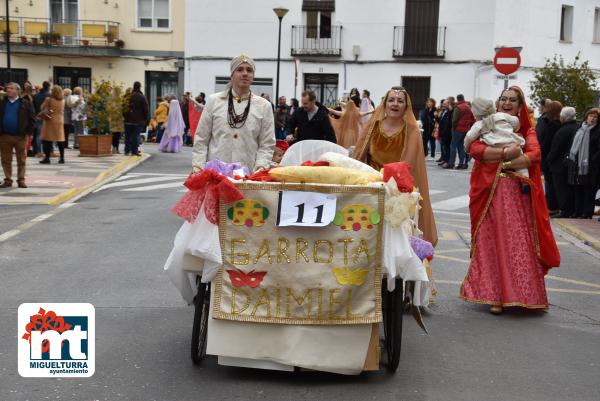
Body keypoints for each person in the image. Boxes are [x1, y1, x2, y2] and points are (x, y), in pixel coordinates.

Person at [461, 86, 560, 314]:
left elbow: (534, 155)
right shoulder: (488, 125)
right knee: (490, 242)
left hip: (517, 196)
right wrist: (507, 155)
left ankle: (524, 294)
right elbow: (475, 148)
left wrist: (506, 161)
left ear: (520, 105)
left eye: (512, 100)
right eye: (503, 99)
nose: (507, 103)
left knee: (517, 243)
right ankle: (494, 296)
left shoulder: (527, 130)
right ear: (497, 103)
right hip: (489, 193)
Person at [354, 86, 438, 246]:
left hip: (399, 191)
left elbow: (408, 164)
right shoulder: (372, 127)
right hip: (371, 188)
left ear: (406, 107)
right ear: (384, 104)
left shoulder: (412, 131)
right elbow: (358, 158)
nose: (395, 103)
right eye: (391, 100)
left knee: (394, 240)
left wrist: (391, 189)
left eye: (400, 101)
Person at [192, 54, 275, 172]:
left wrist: (260, 168)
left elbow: (267, 144)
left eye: (249, 70)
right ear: (231, 75)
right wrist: (198, 167)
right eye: (240, 69)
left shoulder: (264, 106)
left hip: (248, 177)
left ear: (253, 76)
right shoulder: (214, 101)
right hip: (216, 175)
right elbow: (201, 139)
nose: (245, 73)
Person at [464, 98, 528, 181]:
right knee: (520, 159)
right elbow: (515, 121)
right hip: (510, 141)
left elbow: (469, 137)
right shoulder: (501, 115)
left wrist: (466, 147)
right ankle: (525, 179)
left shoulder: (479, 124)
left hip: (493, 145)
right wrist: (513, 127)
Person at [0, 82, 36, 188]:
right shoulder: (2, 103)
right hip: (4, 136)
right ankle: (8, 179)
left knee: (21, 159)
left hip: (21, 136)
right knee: (5, 159)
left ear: (18, 91)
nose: (8, 90)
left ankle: (21, 180)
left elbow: (32, 119)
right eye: (8, 88)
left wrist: (29, 133)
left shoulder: (25, 103)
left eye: (11, 88)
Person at [547, 107, 578, 218]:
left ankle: (565, 211)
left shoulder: (562, 131)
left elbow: (555, 149)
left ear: (564, 118)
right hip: (572, 163)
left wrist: (548, 160)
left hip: (559, 166)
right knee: (570, 189)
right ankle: (572, 209)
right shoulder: (578, 127)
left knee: (561, 189)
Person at [567, 108, 599, 219]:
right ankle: (577, 211)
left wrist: (593, 160)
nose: (593, 118)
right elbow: (573, 144)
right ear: (586, 117)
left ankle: (587, 212)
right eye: (591, 116)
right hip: (577, 164)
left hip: (590, 166)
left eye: (595, 117)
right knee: (577, 188)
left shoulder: (598, 130)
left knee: (589, 190)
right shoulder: (579, 128)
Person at [538, 100, 563, 214]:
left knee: (550, 183)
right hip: (552, 159)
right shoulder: (557, 124)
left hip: (546, 158)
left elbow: (544, 142)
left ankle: (551, 207)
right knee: (552, 183)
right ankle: (552, 206)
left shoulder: (546, 123)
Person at [444, 94, 474, 169]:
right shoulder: (468, 106)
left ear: (457, 99)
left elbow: (454, 120)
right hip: (466, 129)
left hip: (458, 129)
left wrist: (453, 128)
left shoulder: (458, 107)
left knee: (453, 145)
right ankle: (462, 163)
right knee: (461, 146)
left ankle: (451, 163)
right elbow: (472, 118)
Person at [39, 85, 65, 164]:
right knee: (60, 139)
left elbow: (42, 107)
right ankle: (62, 158)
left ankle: (47, 158)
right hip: (60, 120)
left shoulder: (49, 99)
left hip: (50, 120)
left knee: (47, 139)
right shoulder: (63, 100)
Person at [123, 81, 149, 157]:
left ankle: (127, 150)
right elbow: (146, 109)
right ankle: (134, 151)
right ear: (140, 87)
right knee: (135, 136)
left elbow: (123, 108)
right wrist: (145, 119)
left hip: (127, 120)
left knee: (127, 136)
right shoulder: (142, 97)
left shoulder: (127, 96)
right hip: (138, 120)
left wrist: (125, 116)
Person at [32, 81, 51, 157]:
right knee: (49, 135)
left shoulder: (36, 95)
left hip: (38, 116)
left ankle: (39, 152)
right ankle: (50, 151)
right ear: (49, 86)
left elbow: (33, 106)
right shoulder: (49, 95)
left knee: (38, 135)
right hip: (47, 117)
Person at [108, 86, 125, 154]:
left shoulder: (118, 99)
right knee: (116, 134)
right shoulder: (114, 100)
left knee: (116, 134)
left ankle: (115, 148)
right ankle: (115, 148)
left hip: (117, 119)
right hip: (116, 119)